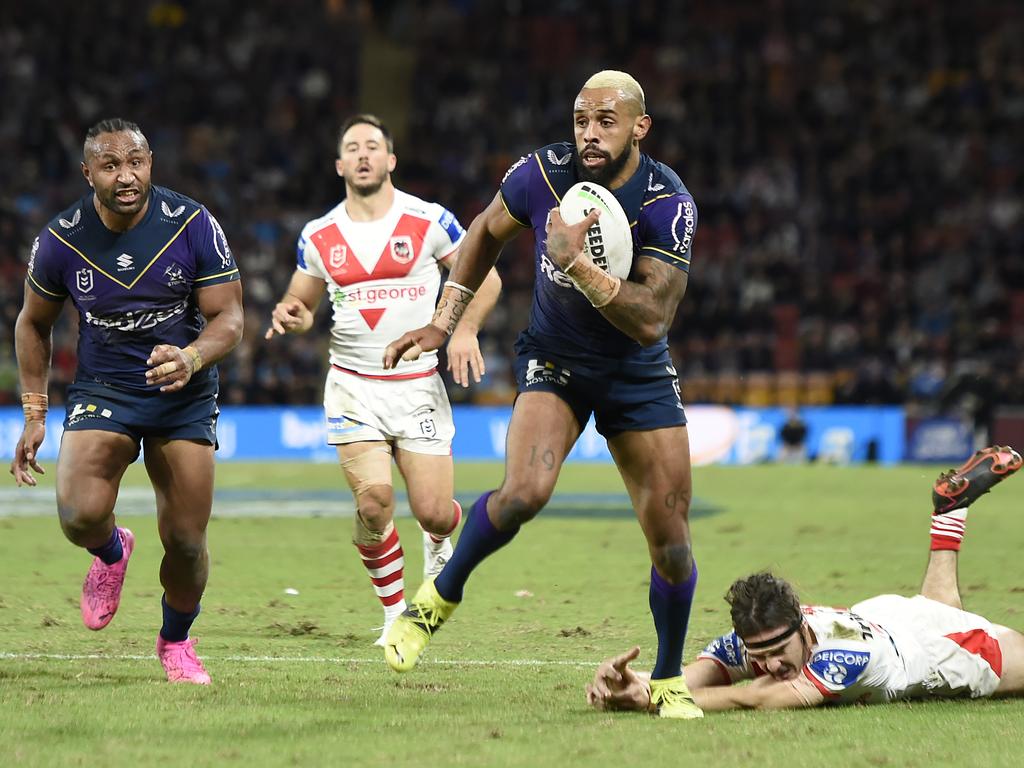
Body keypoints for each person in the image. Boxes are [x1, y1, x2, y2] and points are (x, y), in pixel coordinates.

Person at [381, 71, 703, 718]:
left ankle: (668, 680)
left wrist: (576, 263)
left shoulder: (667, 202)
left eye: (606, 121)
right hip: (555, 358)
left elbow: (652, 320)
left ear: (640, 127)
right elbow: (482, 233)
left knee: (670, 541)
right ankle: (436, 599)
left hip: (635, 370)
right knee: (524, 492)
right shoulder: (541, 173)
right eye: (581, 119)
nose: (589, 132)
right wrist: (443, 323)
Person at [8, 118, 243, 685]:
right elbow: (32, 323)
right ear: (88, 172)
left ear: (150, 163)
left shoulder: (191, 223)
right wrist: (36, 412)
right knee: (77, 514)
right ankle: (112, 551)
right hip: (104, 386)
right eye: (111, 165)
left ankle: (176, 642)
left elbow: (229, 318)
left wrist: (189, 358)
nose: (126, 175)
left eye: (135, 162)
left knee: (186, 542)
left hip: (181, 390)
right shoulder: (60, 239)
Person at [265, 114, 501, 645]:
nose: (364, 154)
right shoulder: (320, 235)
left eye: (374, 146)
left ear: (391, 160)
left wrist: (464, 329)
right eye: (353, 147)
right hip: (353, 384)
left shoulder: (429, 220)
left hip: (418, 384)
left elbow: (484, 276)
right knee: (374, 502)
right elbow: (301, 302)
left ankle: (440, 536)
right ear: (340, 165)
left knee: (436, 514)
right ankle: (396, 613)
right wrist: (290, 313)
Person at [586, 445, 1024, 713]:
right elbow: (692, 676)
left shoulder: (844, 656)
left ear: (800, 624)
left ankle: (950, 513)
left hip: (939, 651)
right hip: (887, 618)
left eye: (779, 651)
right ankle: (949, 512)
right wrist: (638, 682)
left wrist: (656, 702)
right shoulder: (757, 636)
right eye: (761, 654)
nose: (772, 665)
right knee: (941, 610)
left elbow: (753, 698)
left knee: (958, 627)